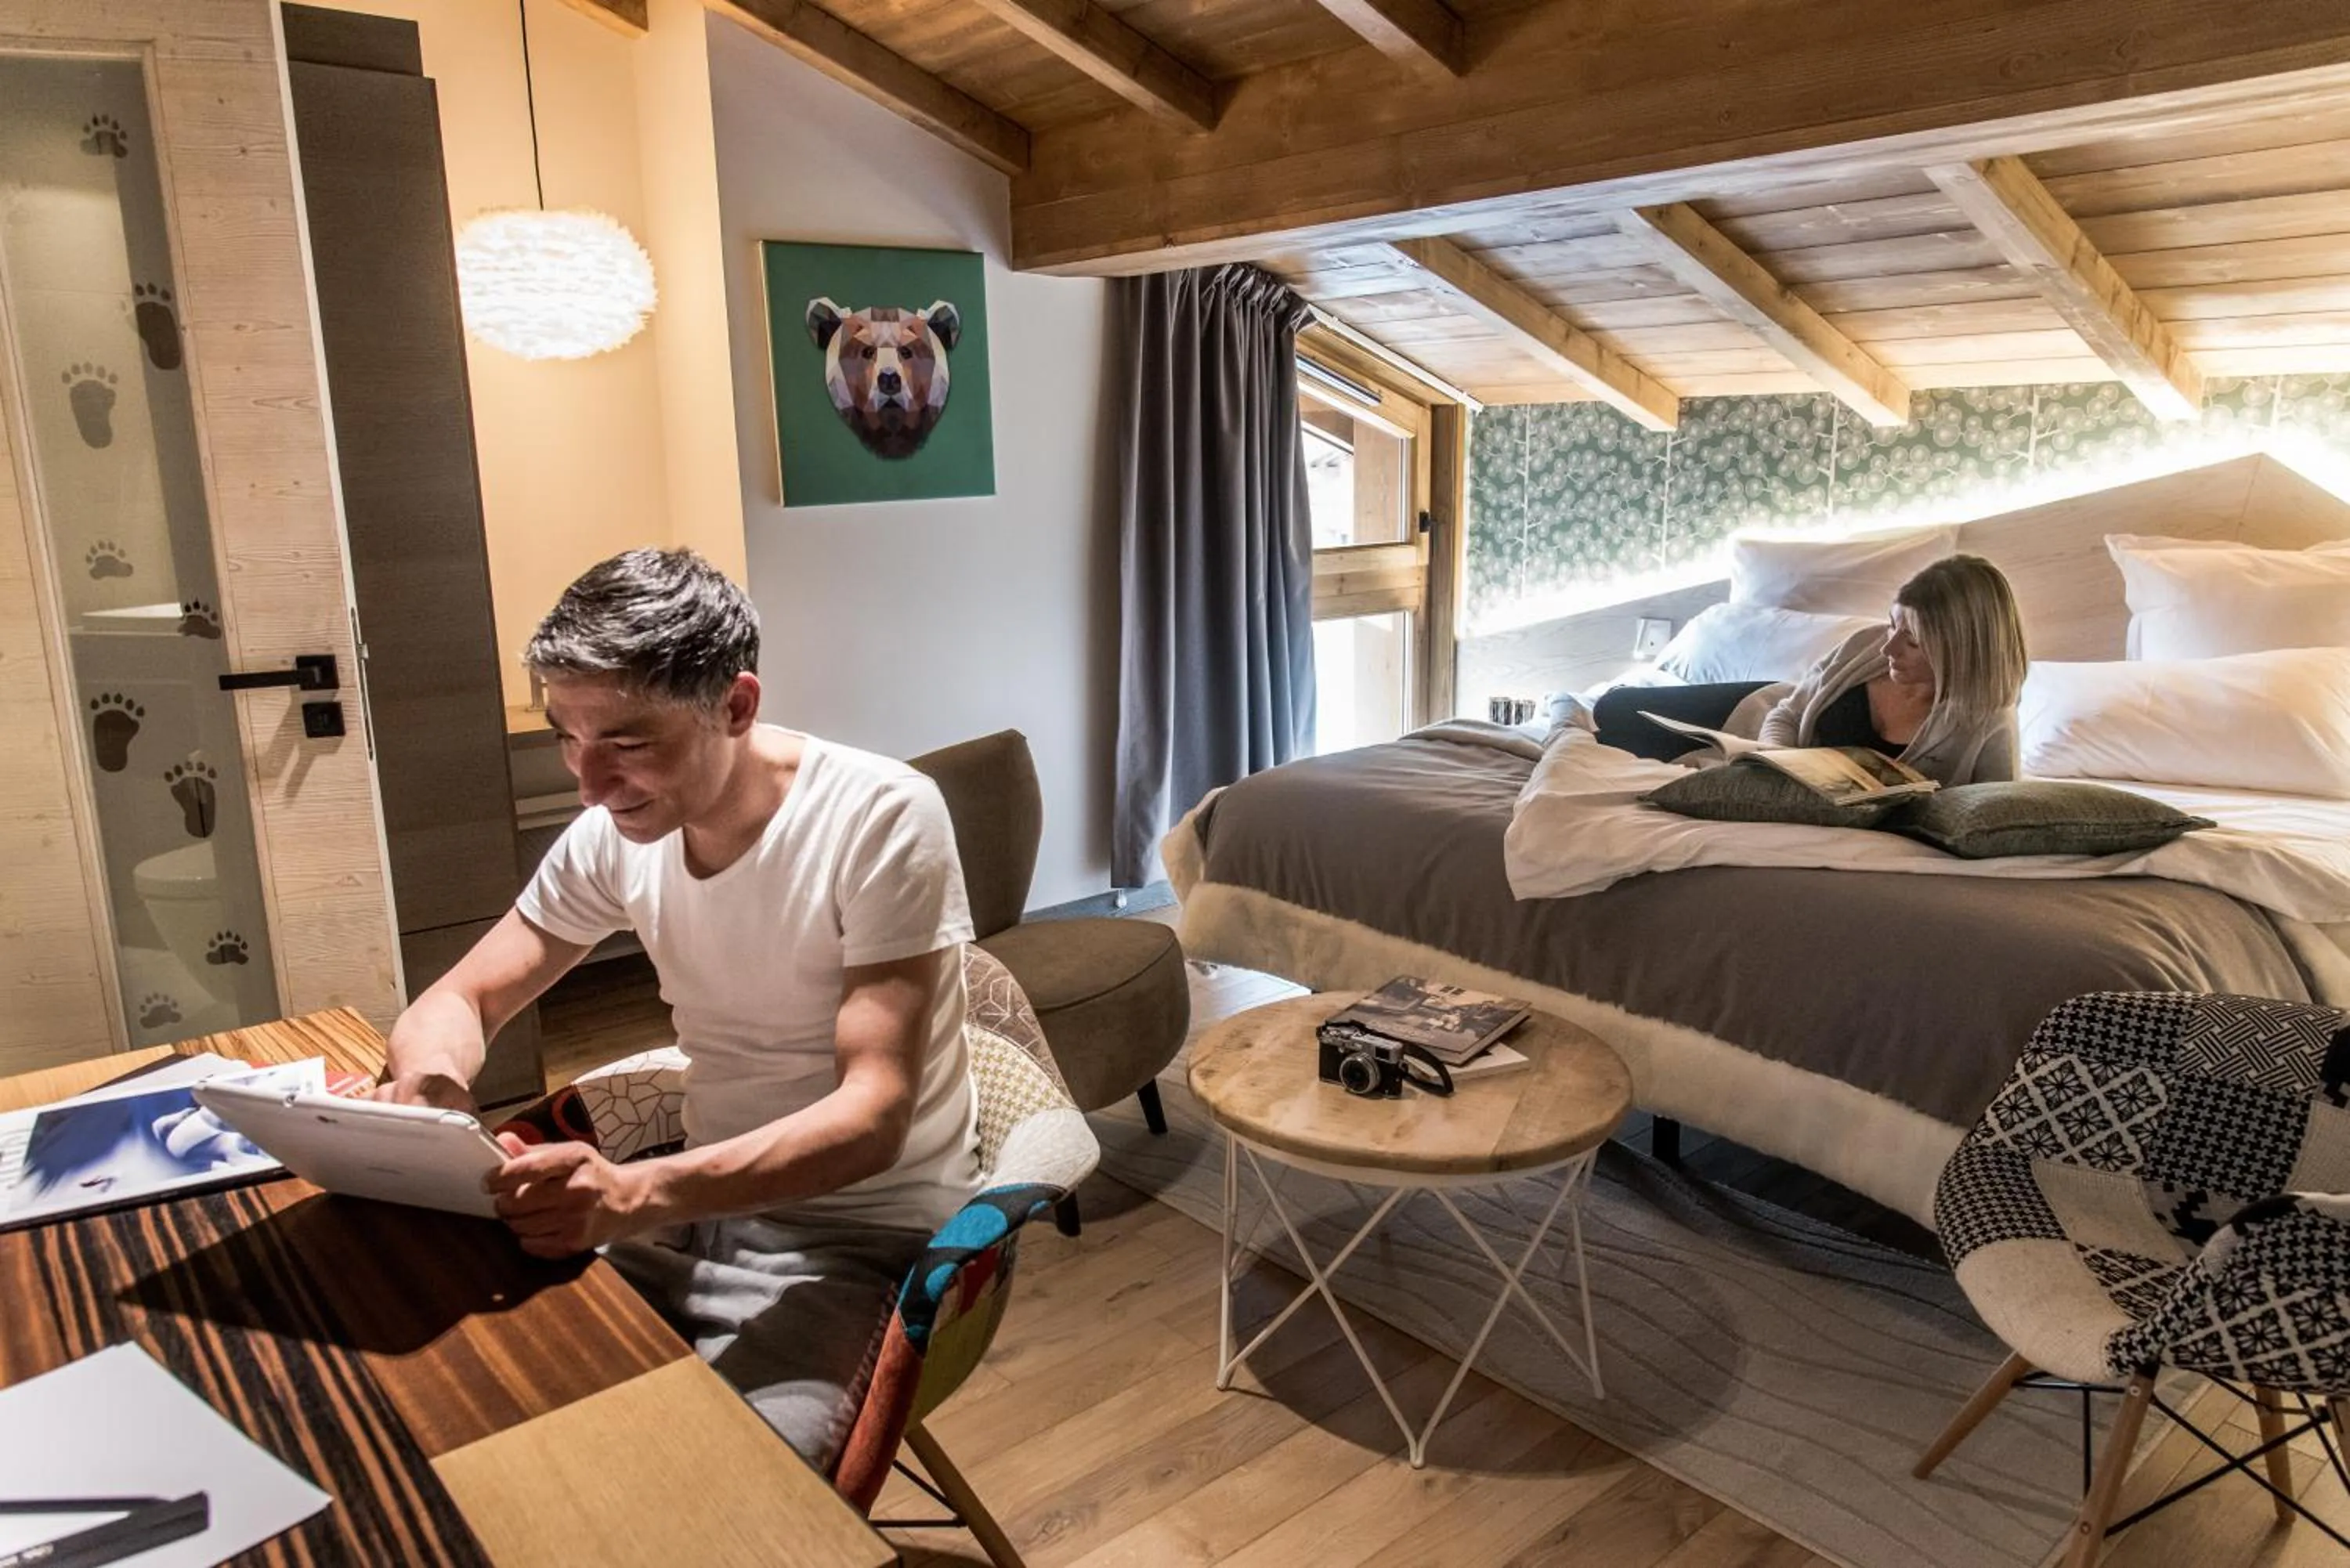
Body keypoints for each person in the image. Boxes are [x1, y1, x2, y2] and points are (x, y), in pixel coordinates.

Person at [373, 547, 979, 1474]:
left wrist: (635, 1193)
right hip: (691, 1214)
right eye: (567, 739)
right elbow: (463, 996)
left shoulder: (881, 817)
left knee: (737, 1493)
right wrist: (433, 1089)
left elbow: (873, 1115)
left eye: (627, 744)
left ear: (735, 706)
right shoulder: (614, 835)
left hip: (858, 1238)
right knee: (459, 1393)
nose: (588, 784)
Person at [1592, 553, 2029, 786]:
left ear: (1961, 650)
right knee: (1615, 710)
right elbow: (1785, 712)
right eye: (1891, 624)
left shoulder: (1988, 722)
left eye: (1912, 640)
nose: (1889, 646)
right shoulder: (1865, 646)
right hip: (1756, 714)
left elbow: (1996, 808)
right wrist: (1777, 761)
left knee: (1628, 741)